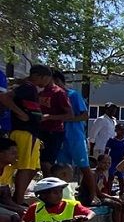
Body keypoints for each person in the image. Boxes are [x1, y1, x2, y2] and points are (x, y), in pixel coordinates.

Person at [0, 65, 52, 204]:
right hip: (24, 132)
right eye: (47, 78)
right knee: (24, 167)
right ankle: (18, 199)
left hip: (32, 133)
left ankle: (17, 196)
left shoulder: (30, 89)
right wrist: (20, 113)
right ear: (40, 76)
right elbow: (5, 98)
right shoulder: (27, 87)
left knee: (33, 167)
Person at [52, 71, 95, 204]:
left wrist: (68, 119)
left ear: (58, 81)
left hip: (75, 136)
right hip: (59, 137)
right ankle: (65, 197)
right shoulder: (53, 97)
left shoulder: (73, 95)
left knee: (84, 166)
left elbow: (85, 115)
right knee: (63, 169)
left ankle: (93, 196)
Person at [38, 71, 74, 177]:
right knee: (38, 162)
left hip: (54, 132)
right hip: (40, 130)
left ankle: (51, 188)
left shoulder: (59, 92)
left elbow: (70, 115)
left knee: (46, 162)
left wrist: (50, 117)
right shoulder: (40, 91)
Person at [94, 154, 124, 222]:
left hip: (100, 196)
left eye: (109, 163)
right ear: (98, 163)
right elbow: (97, 192)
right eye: (104, 163)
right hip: (93, 198)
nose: (107, 165)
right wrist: (111, 198)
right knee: (117, 205)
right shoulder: (94, 173)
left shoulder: (103, 174)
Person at [104, 123, 124, 198]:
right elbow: (106, 151)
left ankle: (121, 193)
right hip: (112, 161)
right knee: (111, 177)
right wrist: (106, 160)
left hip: (121, 162)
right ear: (116, 130)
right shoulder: (111, 140)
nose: (122, 131)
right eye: (120, 130)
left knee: (121, 178)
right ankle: (109, 193)